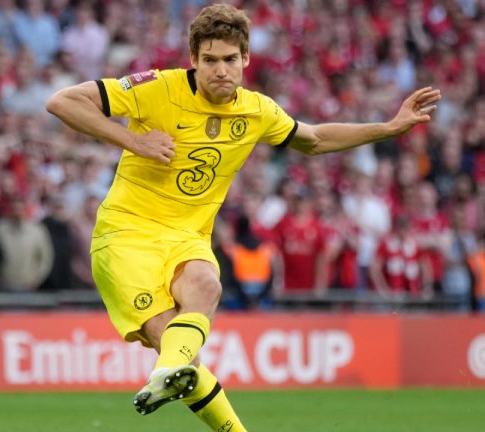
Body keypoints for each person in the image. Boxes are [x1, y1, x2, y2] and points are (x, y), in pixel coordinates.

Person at [45, 4, 441, 430]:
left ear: (246, 60)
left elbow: (315, 138)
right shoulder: (156, 88)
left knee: (206, 284)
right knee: (181, 353)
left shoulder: (257, 111)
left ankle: (167, 374)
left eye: (230, 60)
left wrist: (388, 127)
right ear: (193, 60)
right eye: (210, 60)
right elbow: (63, 101)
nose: (220, 70)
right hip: (125, 236)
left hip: (186, 236)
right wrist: (131, 140)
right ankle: (184, 383)